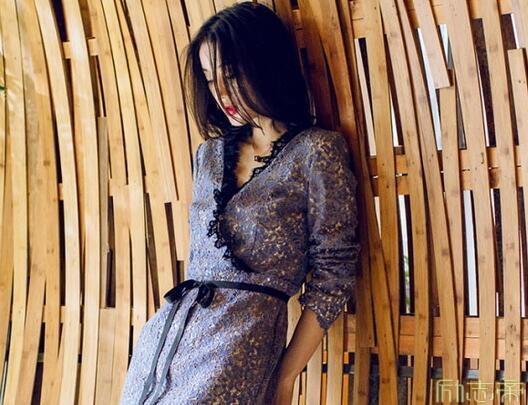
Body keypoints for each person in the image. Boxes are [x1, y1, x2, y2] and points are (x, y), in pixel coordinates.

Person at [119, 2, 361, 404]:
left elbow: (334, 274)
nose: (221, 93)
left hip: (240, 350)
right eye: (210, 79)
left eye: (230, 75)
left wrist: (285, 376)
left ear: (265, 64)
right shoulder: (209, 155)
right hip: (164, 346)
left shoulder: (316, 152)